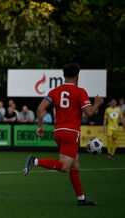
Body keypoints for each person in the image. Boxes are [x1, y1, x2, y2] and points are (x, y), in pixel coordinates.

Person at [23, 63, 104, 206]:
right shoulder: (80, 92)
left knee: (75, 164)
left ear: (63, 75)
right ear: (77, 76)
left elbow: (40, 108)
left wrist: (40, 126)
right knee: (65, 167)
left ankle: (81, 199)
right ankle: (35, 161)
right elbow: (89, 112)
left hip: (58, 132)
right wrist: (97, 103)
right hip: (71, 132)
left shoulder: (55, 91)